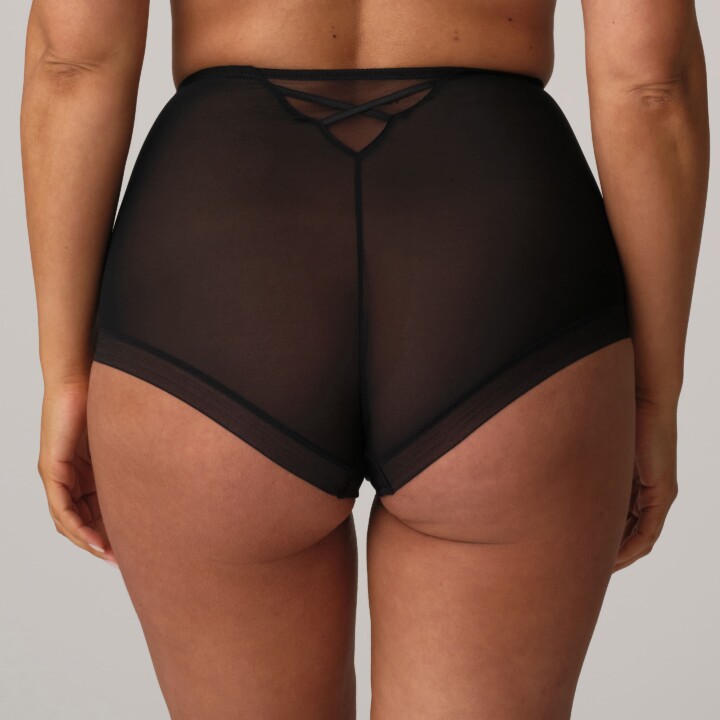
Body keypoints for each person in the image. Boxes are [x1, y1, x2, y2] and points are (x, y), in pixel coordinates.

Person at [20, 0, 709, 717]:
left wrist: (65, 374)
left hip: (218, 255)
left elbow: (72, 63)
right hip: (499, 247)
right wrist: (654, 396)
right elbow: (651, 82)